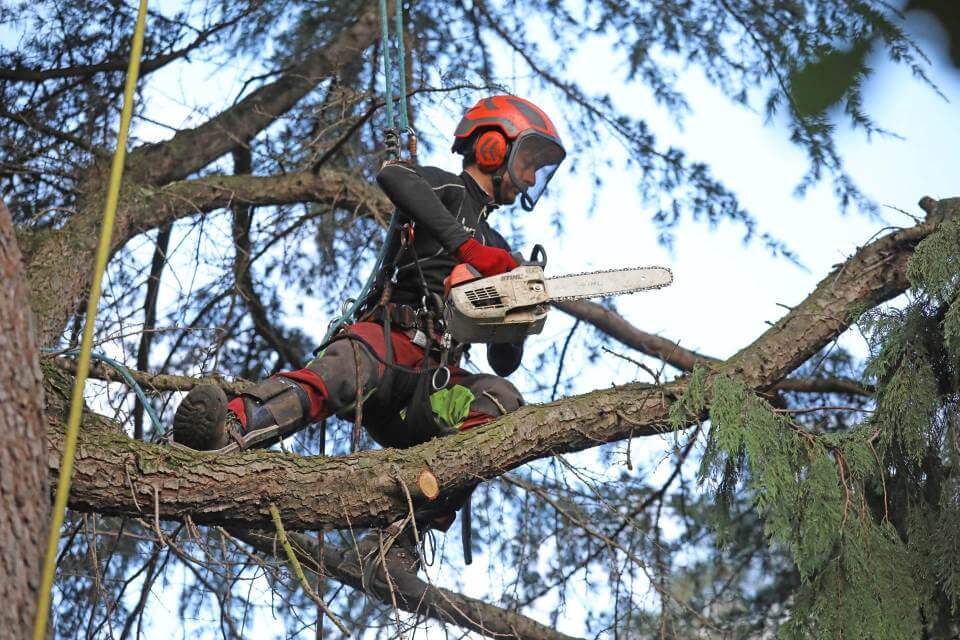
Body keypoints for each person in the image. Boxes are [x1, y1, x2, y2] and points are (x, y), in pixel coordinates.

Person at [171, 95, 566, 464]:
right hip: (388, 346)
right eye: (528, 163)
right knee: (340, 369)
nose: (530, 178)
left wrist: (517, 309)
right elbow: (394, 175)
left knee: (500, 400)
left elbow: (503, 363)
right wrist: (466, 249)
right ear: (493, 147)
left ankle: (417, 510)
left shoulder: (500, 249)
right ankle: (229, 428)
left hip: (434, 383)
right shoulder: (447, 190)